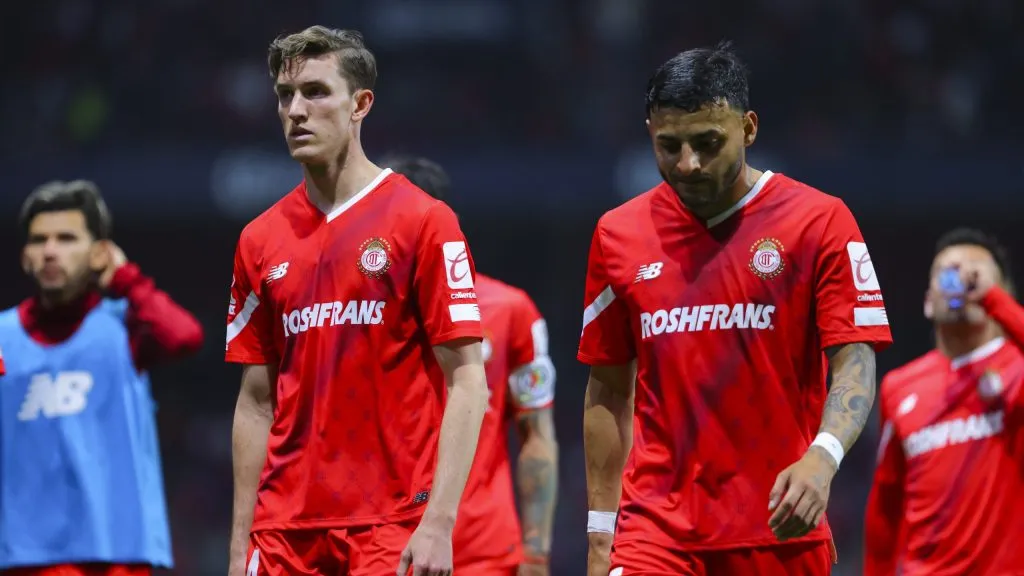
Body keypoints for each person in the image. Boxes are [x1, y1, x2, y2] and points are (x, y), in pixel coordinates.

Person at [578, 42, 893, 576]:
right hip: (655, 534)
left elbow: (854, 355)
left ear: (748, 128)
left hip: (778, 527)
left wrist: (824, 455)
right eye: (669, 145)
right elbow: (609, 389)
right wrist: (601, 533)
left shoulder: (818, 222)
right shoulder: (617, 235)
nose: (688, 164)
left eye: (707, 143)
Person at [225, 27, 489, 576]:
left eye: (316, 92)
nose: (295, 110)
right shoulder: (258, 239)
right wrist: (238, 548)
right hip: (282, 532)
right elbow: (255, 401)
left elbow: (469, 380)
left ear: (360, 104)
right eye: (283, 95)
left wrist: (438, 523)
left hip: (390, 525)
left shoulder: (423, 221)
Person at [0, 180, 205, 575]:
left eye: (66, 238)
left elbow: (184, 337)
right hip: (25, 557)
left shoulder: (124, 327)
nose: (50, 251)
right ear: (24, 255)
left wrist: (127, 279)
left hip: (116, 556)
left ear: (99, 252)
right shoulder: (3, 339)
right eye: (39, 240)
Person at [381, 155, 560, 575]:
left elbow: (537, 435)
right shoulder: (360, 317)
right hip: (381, 551)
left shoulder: (511, 312)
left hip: (484, 557)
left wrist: (535, 554)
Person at [864, 228, 1024, 575]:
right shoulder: (900, 386)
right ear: (926, 300)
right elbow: (884, 508)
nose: (962, 284)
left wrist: (996, 303)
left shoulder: (1018, 368)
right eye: (947, 273)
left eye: (975, 276)